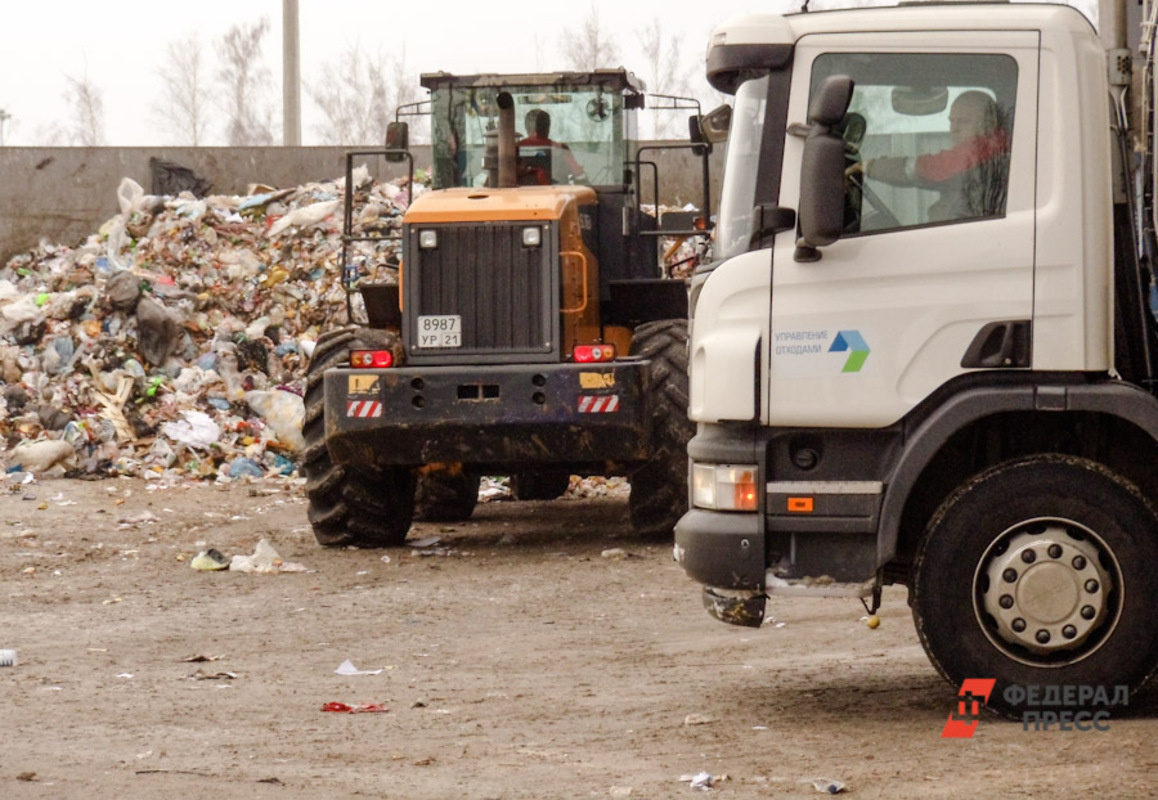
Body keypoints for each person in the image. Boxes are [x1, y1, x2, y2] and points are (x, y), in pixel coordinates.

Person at [848, 90, 1009, 222]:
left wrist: (868, 167)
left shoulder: (987, 150)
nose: (954, 128)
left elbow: (928, 169)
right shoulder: (995, 150)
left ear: (988, 123)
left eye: (963, 121)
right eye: (952, 121)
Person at [517, 109, 587, 185]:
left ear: (527, 128)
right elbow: (579, 175)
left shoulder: (515, 148)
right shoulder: (561, 149)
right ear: (547, 127)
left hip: (520, 195)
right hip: (557, 194)